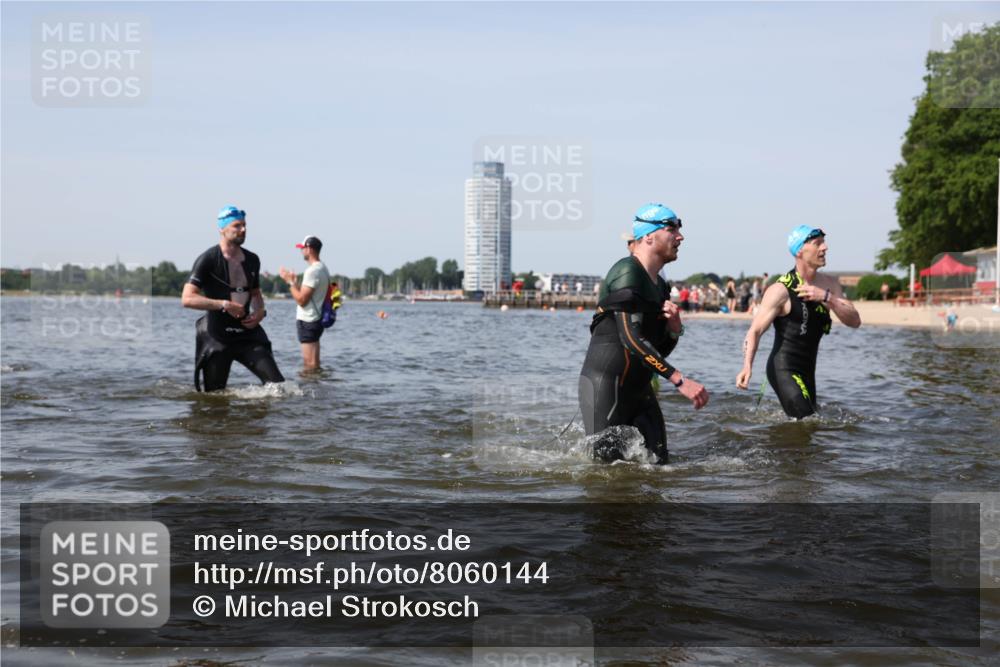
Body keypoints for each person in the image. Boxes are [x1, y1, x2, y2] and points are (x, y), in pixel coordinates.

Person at [579, 203, 709, 463]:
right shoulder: (627, 272)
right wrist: (680, 381)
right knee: (607, 479)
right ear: (649, 236)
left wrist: (674, 331)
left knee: (660, 465)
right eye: (672, 229)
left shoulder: (660, 285)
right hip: (606, 387)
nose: (680, 237)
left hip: (640, 389)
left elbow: (654, 350)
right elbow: (630, 339)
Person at [736, 226, 861, 419]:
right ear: (800, 251)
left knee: (810, 424)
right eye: (817, 243)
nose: (825, 247)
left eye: (824, 242)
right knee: (806, 422)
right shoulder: (780, 290)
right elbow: (755, 331)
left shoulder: (830, 285)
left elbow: (855, 321)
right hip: (783, 368)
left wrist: (828, 298)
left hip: (808, 371)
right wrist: (747, 366)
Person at [182, 206, 284, 391]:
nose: (243, 229)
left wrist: (260, 311)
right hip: (217, 335)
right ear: (222, 229)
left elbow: (255, 294)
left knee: (278, 387)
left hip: (247, 335)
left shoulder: (253, 259)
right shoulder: (208, 259)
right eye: (237, 225)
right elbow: (187, 298)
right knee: (214, 398)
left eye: (244, 225)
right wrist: (224, 304)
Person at [279, 236, 331, 371]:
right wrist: (295, 283)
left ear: (309, 249)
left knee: (310, 364)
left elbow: (302, 300)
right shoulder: (323, 268)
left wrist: (289, 282)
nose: (301, 251)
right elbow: (306, 295)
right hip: (316, 319)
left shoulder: (312, 271)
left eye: (302, 248)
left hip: (308, 320)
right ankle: (317, 387)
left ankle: (310, 389)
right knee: (314, 363)